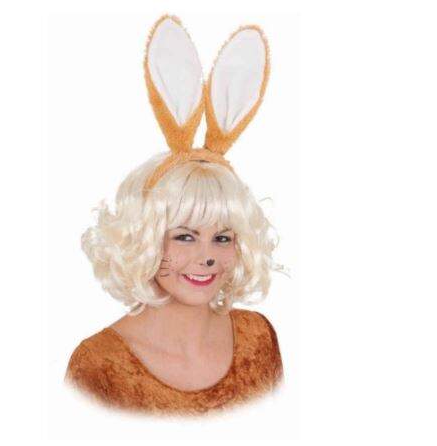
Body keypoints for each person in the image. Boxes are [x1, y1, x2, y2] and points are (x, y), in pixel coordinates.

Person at [64, 14, 287, 417]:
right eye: (185, 236)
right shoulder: (98, 367)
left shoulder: (259, 338)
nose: (207, 256)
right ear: (144, 239)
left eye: (223, 237)